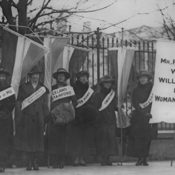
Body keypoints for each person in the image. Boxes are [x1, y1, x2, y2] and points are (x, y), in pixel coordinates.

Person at [15, 66, 49, 171]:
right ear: (29, 77)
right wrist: (20, 116)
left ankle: (36, 162)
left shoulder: (42, 88)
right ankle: (29, 162)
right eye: (33, 75)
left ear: (39, 76)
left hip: (39, 117)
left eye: (37, 75)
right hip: (27, 117)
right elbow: (19, 102)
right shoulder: (23, 87)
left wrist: (46, 116)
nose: (35, 77)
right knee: (28, 141)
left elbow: (45, 103)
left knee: (38, 141)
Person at [46, 68, 76, 169]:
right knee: (54, 139)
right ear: (56, 77)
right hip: (53, 117)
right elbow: (48, 102)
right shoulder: (52, 88)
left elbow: (74, 102)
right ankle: (54, 161)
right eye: (59, 75)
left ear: (65, 77)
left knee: (63, 140)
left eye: (63, 75)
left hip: (64, 118)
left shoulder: (69, 89)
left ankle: (61, 160)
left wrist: (67, 112)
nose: (61, 77)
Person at [127, 71, 153, 166]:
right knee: (138, 139)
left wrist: (149, 112)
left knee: (147, 139)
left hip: (150, 117)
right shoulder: (136, 90)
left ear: (148, 78)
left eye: (144, 77)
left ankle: (145, 158)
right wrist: (143, 112)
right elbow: (135, 103)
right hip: (138, 117)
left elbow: (154, 102)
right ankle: (139, 158)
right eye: (141, 78)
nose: (142, 79)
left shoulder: (153, 90)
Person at [71, 71, 97, 166]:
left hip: (87, 118)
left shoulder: (90, 90)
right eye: (82, 77)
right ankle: (76, 158)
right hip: (77, 117)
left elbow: (93, 103)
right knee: (76, 138)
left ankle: (82, 158)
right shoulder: (73, 88)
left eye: (85, 77)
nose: (84, 78)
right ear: (78, 78)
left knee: (85, 139)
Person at [93, 75, 118, 166]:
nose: (107, 84)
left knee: (110, 139)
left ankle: (108, 158)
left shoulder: (113, 95)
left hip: (111, 119)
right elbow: (95, 108)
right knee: (102, 139)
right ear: (102, 84)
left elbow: (115, 106)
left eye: (109, 83)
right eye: (106, 83)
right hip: (101, 120)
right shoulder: (97, 95)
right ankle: (103, 158)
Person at [0, 68, 16, 173]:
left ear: (6, 77)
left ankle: (2, 164)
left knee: (4, 142)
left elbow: (12, 103)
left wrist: (4, 112)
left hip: (5, 119)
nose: (1, 78)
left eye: (3, 76)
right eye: (0, 76)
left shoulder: (9, 89)